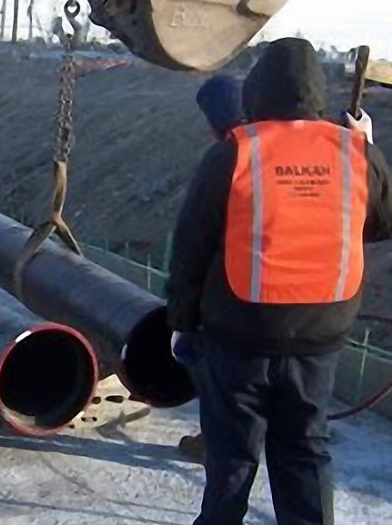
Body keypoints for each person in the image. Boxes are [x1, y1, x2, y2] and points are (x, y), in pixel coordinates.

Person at [165, 37, 392, 525]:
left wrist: (182, 320)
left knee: (232, 454)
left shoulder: (234, 153)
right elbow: (381, 222)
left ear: (257, 92)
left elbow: (191, 247)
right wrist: (367, 148)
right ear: (316, 93)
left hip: (239, 337)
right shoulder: (354, 153)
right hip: (319, 338)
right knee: (304, 453)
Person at [177, 73, 246, 462]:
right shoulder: (282, 150)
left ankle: (215, 438)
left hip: (231, 293)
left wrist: (182, 313)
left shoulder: (226, 157)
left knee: (200, 356)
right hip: (308, 301)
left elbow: (194, 241)